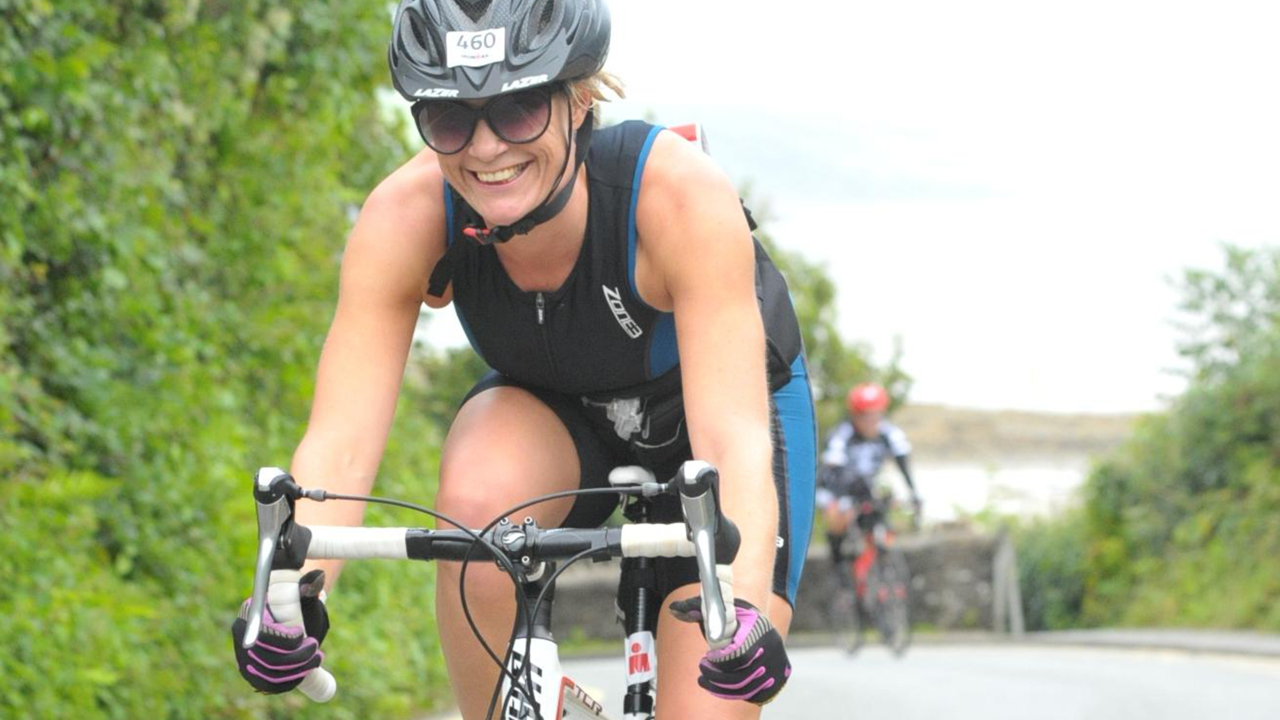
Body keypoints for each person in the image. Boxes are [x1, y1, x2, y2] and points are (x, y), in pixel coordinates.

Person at [229, 1, 818, 717]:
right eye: (451, 119)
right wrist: (289, 592)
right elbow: (342, 444)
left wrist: (745, 602)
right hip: (554, 417)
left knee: (709, 695)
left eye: (518, 110)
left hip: (711, 431)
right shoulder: (406, 215)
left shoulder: (676, 196)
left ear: (576, 99)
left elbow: (733, 437)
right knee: (477, 506)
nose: (484, 148)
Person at [815, 383, 920, 580]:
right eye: (864, 415)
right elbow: (833, 470)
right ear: (854, 415)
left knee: (883, 510)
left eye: (876, 415)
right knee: (838, 516)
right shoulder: (841, 435)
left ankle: (880, 570)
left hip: (866, 487)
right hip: (835, 487)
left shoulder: (889, 433)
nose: (871, 421)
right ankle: (839, 569)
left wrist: (914, 494)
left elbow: (903, 463)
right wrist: (843, 501)